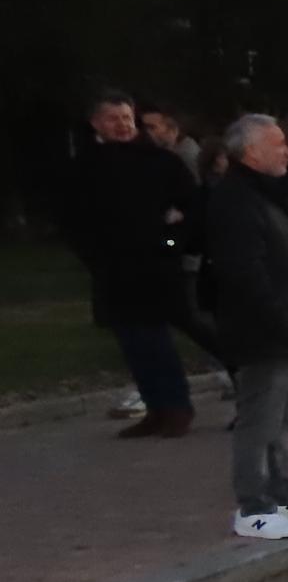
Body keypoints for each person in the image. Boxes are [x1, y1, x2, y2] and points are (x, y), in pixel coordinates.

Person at [208, 115, 288, 539]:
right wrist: (279, 316)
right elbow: (245, 274)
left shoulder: (269, 197)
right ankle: (253, 506)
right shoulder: (235, 202)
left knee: (285, 422)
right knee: (259, 421)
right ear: (250, 152)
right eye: (277, 143)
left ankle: (281, 494)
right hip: (262, 334)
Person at [65, 89, 201, 437]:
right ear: (96, 123)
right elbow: (74, 221)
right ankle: (154, 407)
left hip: (154, 268)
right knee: (131, 342)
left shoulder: (161, 162)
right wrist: (94, 258)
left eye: (127, 117)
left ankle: (176, 406)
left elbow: (191, 209)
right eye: (114, 118)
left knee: (156, 339)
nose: (123, 125)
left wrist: (170, 244)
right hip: (113, 271)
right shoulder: (85, 167)